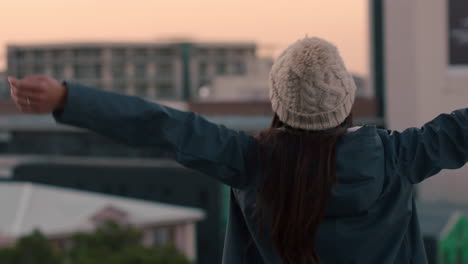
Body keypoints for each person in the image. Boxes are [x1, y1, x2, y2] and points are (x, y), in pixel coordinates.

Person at [8, 37, 468, 264]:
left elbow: (162, 126)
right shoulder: (398, 158)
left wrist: (70, 99)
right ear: (346, 100)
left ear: (278, 103)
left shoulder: (249, 161)